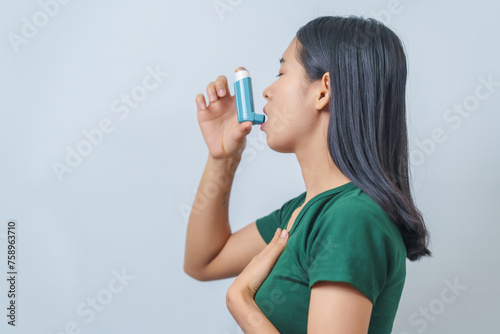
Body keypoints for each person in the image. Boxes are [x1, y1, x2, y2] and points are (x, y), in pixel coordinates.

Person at [184, 15, 431, 334]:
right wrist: (222, 157)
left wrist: (242, 303)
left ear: (323, 91)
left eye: (281, 72)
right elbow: (203, 262)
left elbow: (213, 274)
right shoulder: (304, 211)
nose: (267, 91)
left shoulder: (352, 218)